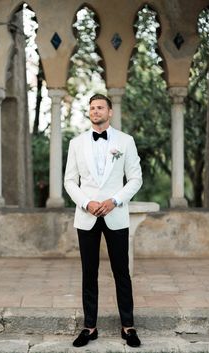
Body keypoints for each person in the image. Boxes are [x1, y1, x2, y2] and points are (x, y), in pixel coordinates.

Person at [64, 93, 142, 348]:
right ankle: (89, 327)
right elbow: (69, 182)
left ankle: (128, 326)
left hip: (115, 215)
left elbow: (135, 179)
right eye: (92, 108)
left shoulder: (126, 141)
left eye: (100, 107)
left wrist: (114, 201)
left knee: (121, 272)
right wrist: (88, 203)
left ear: (110, 112)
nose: (95, 111)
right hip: (86, 216)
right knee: (89, 273)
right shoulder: (76, 143)